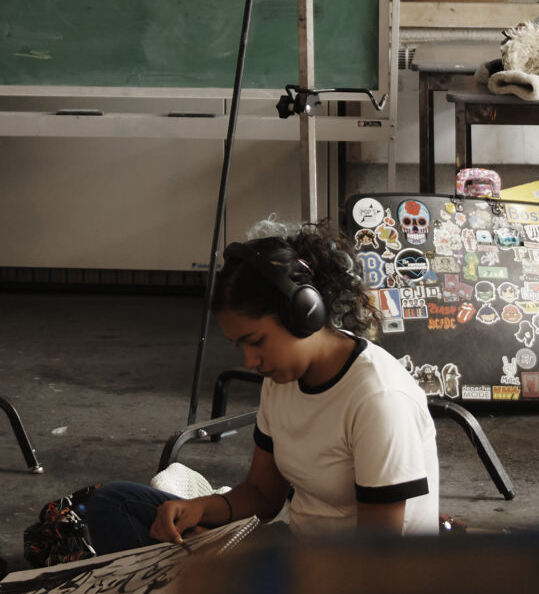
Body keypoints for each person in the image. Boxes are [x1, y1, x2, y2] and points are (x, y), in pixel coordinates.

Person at [70, 224, 441, 553]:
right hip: (298, 548)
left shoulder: (379, 399)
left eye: (257, 341)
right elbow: (263, 496)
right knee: (112, 504)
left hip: (362, 583)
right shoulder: (282, 379)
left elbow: (378, 556)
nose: (250, 360)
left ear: (304, 313)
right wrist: (200, 510)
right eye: (241, 346)